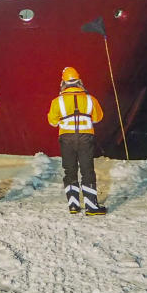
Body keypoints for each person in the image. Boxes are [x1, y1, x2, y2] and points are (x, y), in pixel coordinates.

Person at [47, 66, 106, 216]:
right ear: (79, 81)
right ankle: (91, 207)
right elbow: (98, 118)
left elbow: (52, 122)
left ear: (63, 83)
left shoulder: (57, 101)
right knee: (87, 171)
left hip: (66, 139)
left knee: (70, 171)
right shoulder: (90, 99)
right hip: (86, 138)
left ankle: (73, 205)